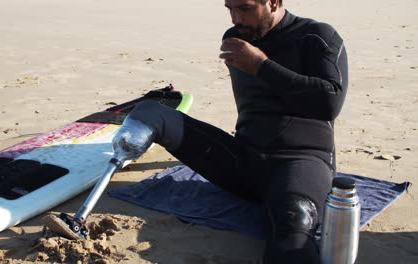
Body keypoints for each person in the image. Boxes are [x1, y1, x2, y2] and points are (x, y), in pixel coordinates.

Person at [119, 0, 348, 262]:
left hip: (301, 161)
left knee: (293, 218)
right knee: (150, 112)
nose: (235, 18)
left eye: (245, 8)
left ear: (273, 2)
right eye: (229, 8)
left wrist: (262, 66)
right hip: (244, 160)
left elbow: (329, 103)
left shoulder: (317, 36)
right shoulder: (236, 38)